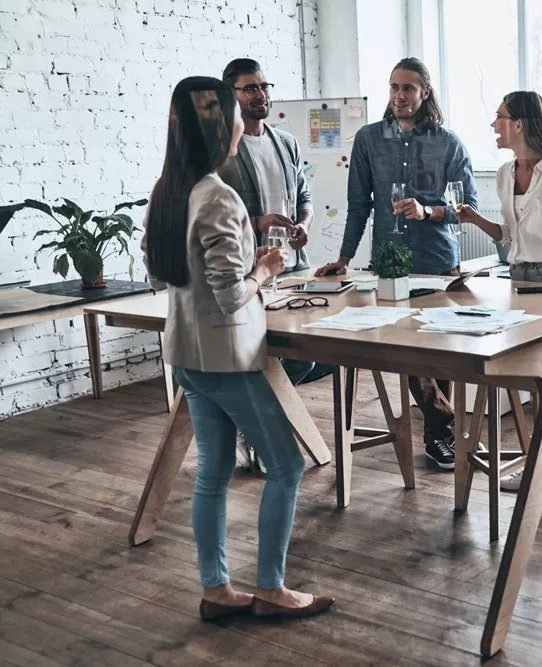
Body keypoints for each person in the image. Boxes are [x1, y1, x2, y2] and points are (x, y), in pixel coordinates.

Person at [142, 76, 333, 621]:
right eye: (233, 116)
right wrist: (267, 268)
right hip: (226, 358)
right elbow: (230, 296)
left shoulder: (169, 190)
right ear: (219, 128)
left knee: (214, 472)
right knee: (288, 466)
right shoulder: (218, 196)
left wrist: (247, 241)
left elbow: (164, 270)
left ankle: (215, 588)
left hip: (186, 353)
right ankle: (271, 589)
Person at [314, 57, 478, 471]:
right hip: (390, 264)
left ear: (425, 93)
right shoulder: (369, 140)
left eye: (408, 88)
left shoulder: (449, 143)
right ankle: (445, 429)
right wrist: (344, 259)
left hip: (438, 263)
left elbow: (468, 208)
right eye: (393, 87)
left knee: (438, 354)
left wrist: (429, 211)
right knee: (409, 352)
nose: (399, 96)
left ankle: (438, 435)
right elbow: (358, 206)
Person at [455, 90, 542, 507]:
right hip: (517, 284)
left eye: (499, 118)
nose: (494, 126)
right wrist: (473, 218)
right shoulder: (503, 173)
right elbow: (507, 237)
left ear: (519, 122)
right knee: (526, 382)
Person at [218, 58, 334, 390]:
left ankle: (259, 415)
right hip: (251, 268)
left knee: (306, 352)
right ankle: (258, 417)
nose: (260, 94)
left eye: (263, 86)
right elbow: (217, 214)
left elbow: (304, 196)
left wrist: (305, 225)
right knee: (266, 353)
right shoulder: (224, 149)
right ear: (232, 95)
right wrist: (259, 222)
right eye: (250, 88)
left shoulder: (286, 142)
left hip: (293, 268)